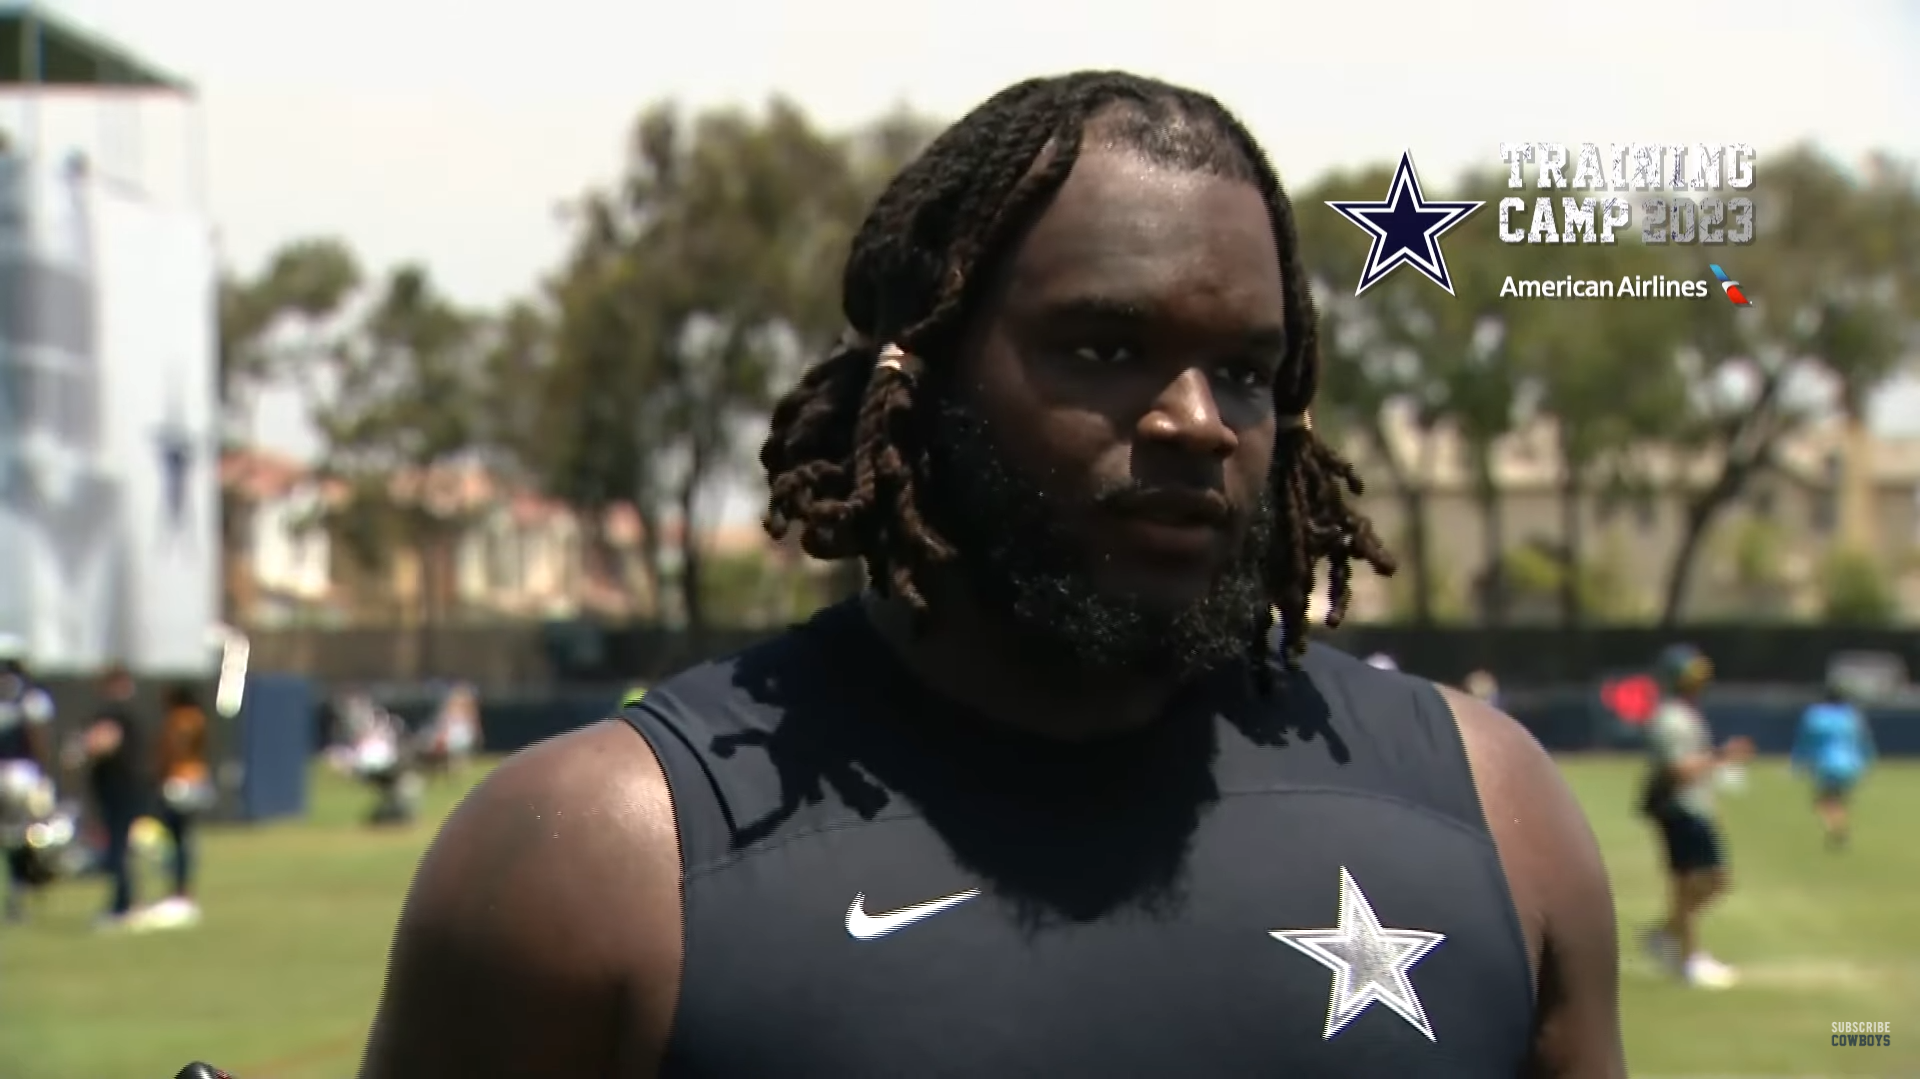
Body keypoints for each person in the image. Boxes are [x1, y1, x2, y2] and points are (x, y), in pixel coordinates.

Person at [363, 72, 1624, 1078]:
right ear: (919, 381)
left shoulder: (1493, 814)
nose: (1198, 420)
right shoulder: (600, 860)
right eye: (1104, 345)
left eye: (1245, 368)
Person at [1637, 644, 1751, 989]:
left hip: (1692, 807)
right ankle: (1689, 959)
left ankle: (1665, 935)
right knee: (1690, 883)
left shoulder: (1685, 714)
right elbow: (1678, 769)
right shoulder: (1671, 718)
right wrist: (1722, 756)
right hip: (1679, 808)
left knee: (1713, 880)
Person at [80, 665, 150, 931]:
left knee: (117, 850)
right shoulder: (131, 714)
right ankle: (128, 902)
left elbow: (100, 743)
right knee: (121, 849)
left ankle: (123, 907)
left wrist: (84, 749)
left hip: (119, 790)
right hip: (125, 790)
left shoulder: (113, 715)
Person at [0, 638, 57, 923]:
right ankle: (19, 894)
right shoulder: (31, 694)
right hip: (21, 773)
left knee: (11, 837)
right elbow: (38, 737)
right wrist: (44, 773)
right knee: (26, 836)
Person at [149, 683, 213, 928]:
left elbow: (173, 749)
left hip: (179, 781)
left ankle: (178, 889)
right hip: (198, 778)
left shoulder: (179, 719)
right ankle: (183, 888)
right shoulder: (199, 718)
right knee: (185, 837)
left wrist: (158, 773)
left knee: (175, 838)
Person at [1791, 678, 1874, 849]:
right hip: (1852, 764)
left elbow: (1804, 741)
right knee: (1839, 799)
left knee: (1824, 801)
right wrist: (1868, 761)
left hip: (1826, 763)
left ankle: (1837, 829)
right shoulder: (1852, 715)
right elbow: (1864, 741)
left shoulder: (1815, 715)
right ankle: (1839, 827)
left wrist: (1798, 762)